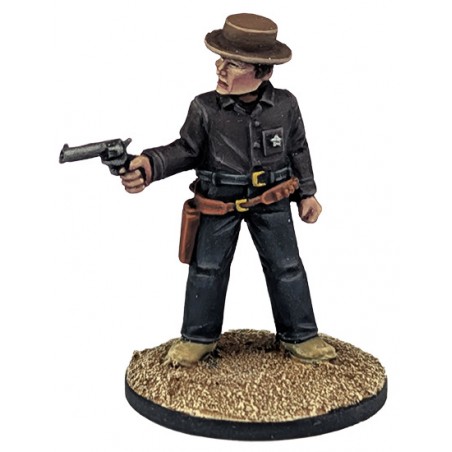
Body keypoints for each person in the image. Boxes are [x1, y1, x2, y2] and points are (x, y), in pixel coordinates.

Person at [120, 13, 336, 366]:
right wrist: (149, 165)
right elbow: (186, 149)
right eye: (221, 59)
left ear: (263, 71)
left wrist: (306, 193)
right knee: (206, 269)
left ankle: (300, 335)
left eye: (234, 63)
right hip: (218, 201)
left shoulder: (285, 105)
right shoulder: (204, 108)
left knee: (286, 266)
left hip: (273, 198)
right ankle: (199, 338)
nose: (220, 68)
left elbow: (298, 148)